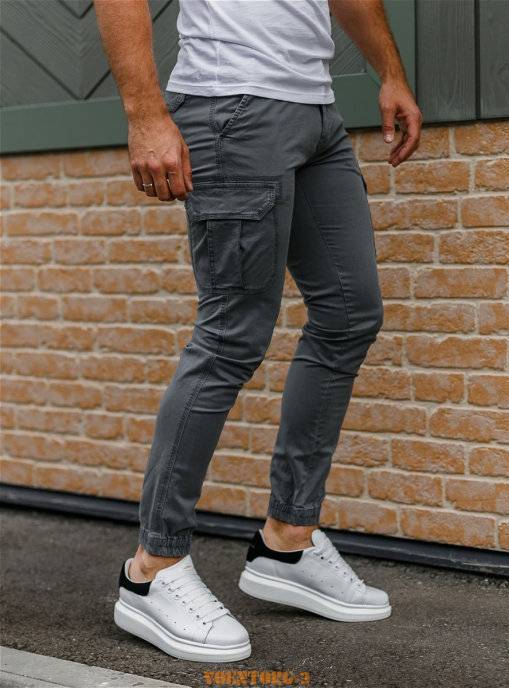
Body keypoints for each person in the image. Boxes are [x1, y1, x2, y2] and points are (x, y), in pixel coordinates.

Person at [95, 0, 422, 663]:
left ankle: (287, 541)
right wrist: (146, 115)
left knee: (349, 314)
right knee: (231, 337)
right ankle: (153, 569)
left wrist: (389, 71)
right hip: (231, 105)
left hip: (315, 111)